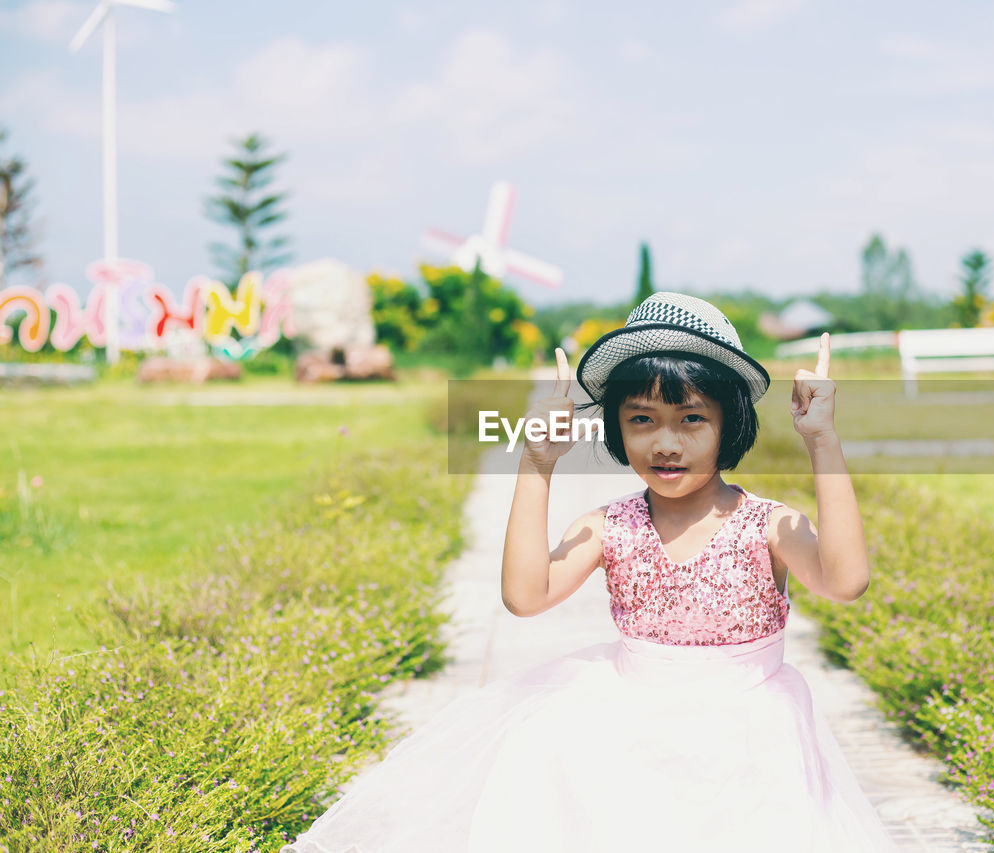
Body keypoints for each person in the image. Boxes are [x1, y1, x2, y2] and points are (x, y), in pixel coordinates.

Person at [281, 292, 900, 853]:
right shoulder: (611, 526)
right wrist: (536, 462)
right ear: (615, 427)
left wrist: (822, 441)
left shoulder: (768, 526)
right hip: (631, 736)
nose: (665, 443)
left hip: (750, 741)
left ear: (729, 423)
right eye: (641, 419)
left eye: (691, 419)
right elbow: (525, 597)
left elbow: (845, 581)